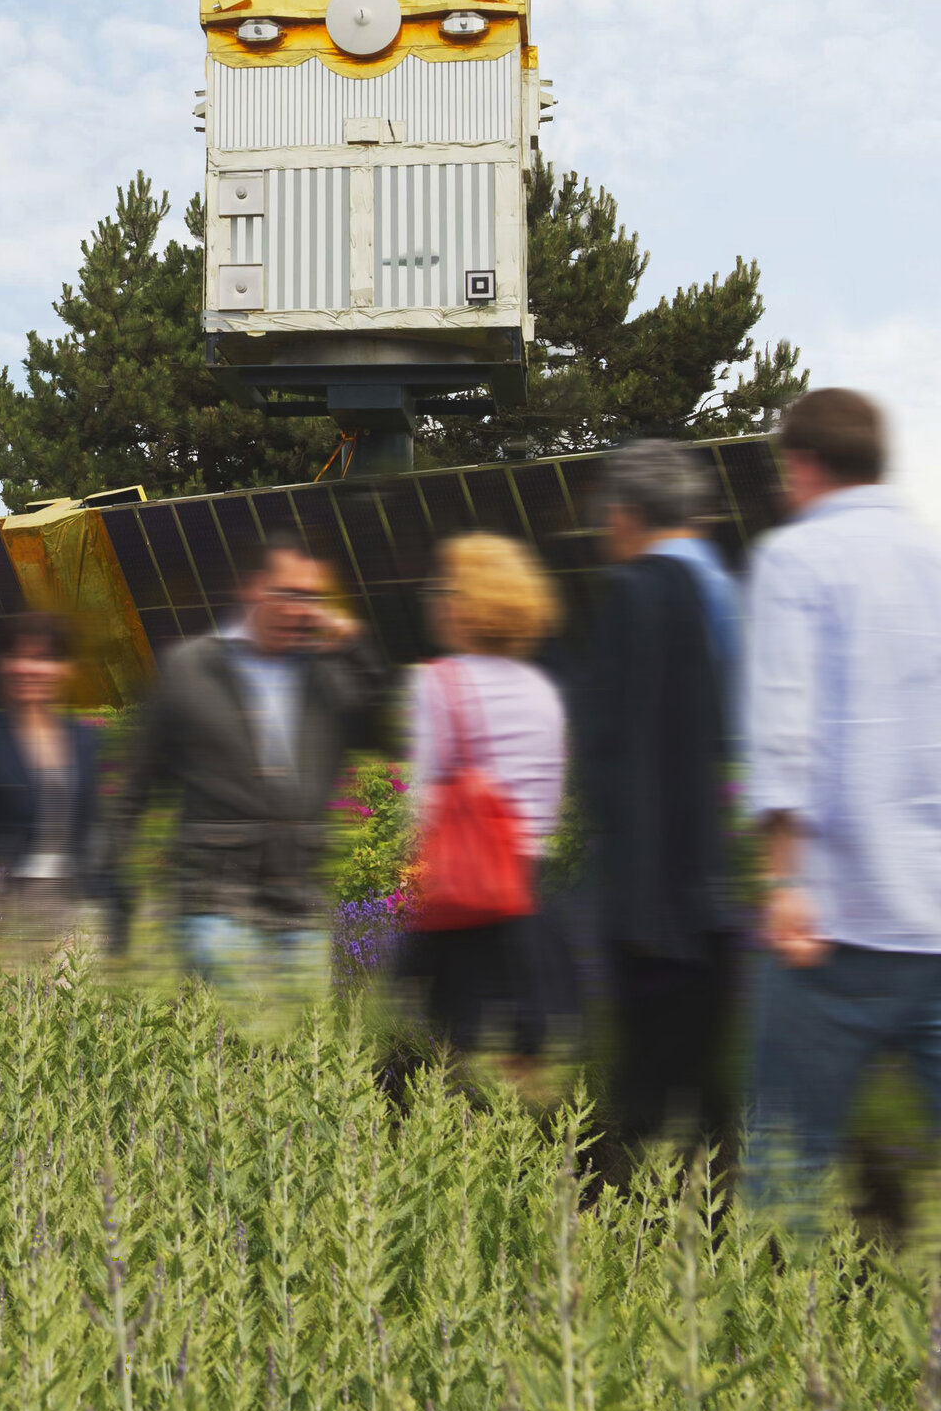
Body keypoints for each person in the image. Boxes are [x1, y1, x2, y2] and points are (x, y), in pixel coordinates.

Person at [745, 387, 941, 1234]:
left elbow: (784, 726)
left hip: (845, 926)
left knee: (788, 1176)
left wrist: (783, 879)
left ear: (800, 466)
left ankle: (778, 1351)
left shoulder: (797, 558)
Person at [115, 527, 386, 993]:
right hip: (216, 902)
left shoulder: (327, 677)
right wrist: (109, 887)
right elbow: (138, 786)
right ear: (251, 587)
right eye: (288, 592)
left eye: (312, 598)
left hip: (296, 906)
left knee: (301, 1049)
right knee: (236, 1040)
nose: (300, 609)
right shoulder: (191, 668)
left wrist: (356, 647)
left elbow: (384, 735)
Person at [575, 442, 740, 1157]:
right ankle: (726, 1245)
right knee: (704, 1105)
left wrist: (639, 912)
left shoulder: (638, 593)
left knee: (642, 1110)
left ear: (627, 513)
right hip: (708, 897)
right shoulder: (713, 593)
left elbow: (630, 755)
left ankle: (629, 1252)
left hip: (656, 913)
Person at [404, 530, 567, 1059]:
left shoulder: (440, 682)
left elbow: (424, 799)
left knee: (446, 1049)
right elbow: (548, 803)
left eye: (447, 590)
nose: (440, 601)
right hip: (526, 892)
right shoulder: (543, 690)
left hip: (466, 887)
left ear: (466, 606)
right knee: (526, 1055)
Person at [0, 611, 111, 944]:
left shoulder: (84, 740)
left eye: (42, 658)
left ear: (66, 669)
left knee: (76, 994)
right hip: (3, 903)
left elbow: (93, 826)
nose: (26, 668)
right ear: (0, 665)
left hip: (74, 902)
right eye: (15, 656)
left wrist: (107, 898)